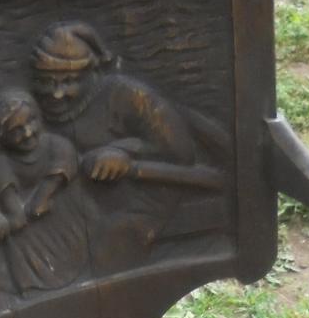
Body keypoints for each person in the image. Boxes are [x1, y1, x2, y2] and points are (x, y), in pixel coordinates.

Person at [29, 21, 200, 272]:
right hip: (80, 203)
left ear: (91, 72)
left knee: (110, 244)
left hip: (142, 199)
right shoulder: (37, 107)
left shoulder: (125, 95)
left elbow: (182, 151)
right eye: (47, 81)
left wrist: (125, 151)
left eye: (69, 81)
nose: (56, 94)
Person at [0, 89, 88, 295]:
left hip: (65, 230)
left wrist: (44, 196)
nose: (28, 133)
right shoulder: (2, 164)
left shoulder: (56, 145)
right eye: (17, 130)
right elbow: (14, 209)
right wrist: (13, 216)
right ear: (4, 137)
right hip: (29, 249)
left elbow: (62, 169)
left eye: (31, 122)